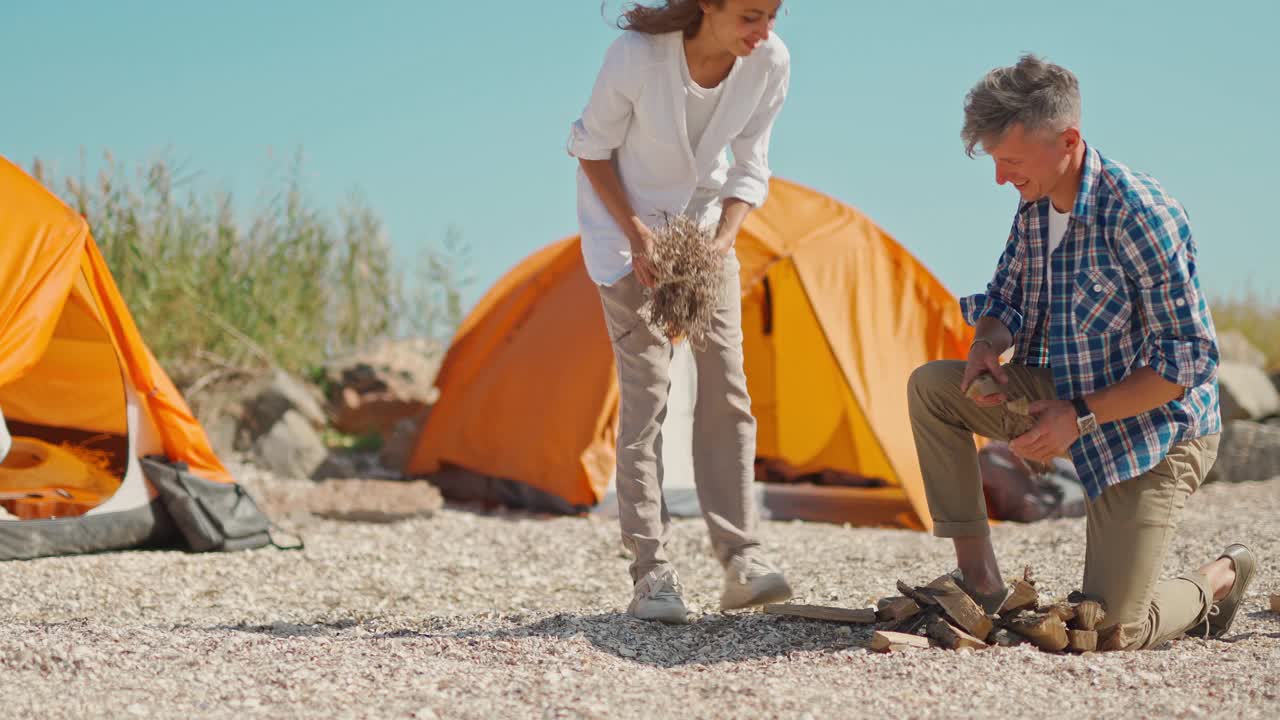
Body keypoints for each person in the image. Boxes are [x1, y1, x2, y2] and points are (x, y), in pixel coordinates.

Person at [906, 54, 1256, 650]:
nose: (1000, 179)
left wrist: (1082, 416)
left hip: (1156, 430)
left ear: (1067, 140)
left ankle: (1218, 580)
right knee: (933, 388)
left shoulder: (1141, 213)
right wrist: (988, 343)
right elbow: (1006, 298)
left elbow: (1190, 358)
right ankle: (981, 584)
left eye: (1009, 162)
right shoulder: (1035, 203)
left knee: (1110, 629)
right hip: (1065, 398)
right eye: (994, 161)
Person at [567, 0, 792, 623]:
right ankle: (652, 574)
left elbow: (751, 167)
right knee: (649, 396)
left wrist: (722, 244)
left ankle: (741, 558)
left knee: (729, 387)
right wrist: (639, 238)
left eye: (773, 15)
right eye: (751, 15)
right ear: (709, 6)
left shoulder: (769, 61)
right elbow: (590, 149)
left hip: (704, 235)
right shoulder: (638, 57)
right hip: (625, 236)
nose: (763, 31)